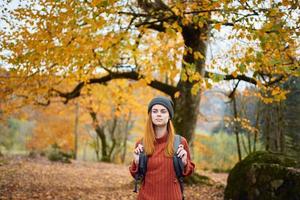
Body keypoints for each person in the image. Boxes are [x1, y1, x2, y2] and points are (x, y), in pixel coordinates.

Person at [129, 96, 195, 200]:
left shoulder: (180, 142)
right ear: (150, 115)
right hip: (145, 197)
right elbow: (137, 176)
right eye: (154, 111)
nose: (159, 114)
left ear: (169, 115)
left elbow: (188, 172)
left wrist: (185, 162)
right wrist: (136, 162)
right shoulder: (141, 143)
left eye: (163, 111)